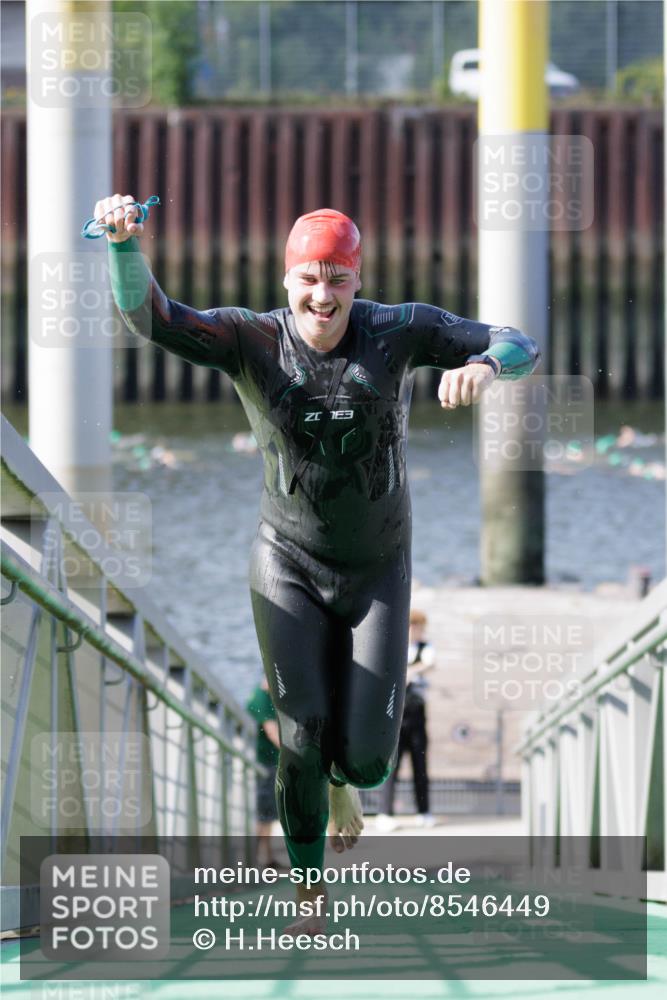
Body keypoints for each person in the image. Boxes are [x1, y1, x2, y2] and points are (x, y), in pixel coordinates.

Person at [96, 194, 540, 935]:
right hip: (287, 559)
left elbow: (518, 340)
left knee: (365, 762)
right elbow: (153, 320)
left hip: (376, 568)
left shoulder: (399, 331)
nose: (322, 296)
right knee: (299, 734)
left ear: (356, 283)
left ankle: (347, 783)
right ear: (285, 282)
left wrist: (488, 367)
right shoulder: (249, 339)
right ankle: (309, 896)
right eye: (308, 279)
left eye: (337, 279)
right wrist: (119, 246)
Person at [376, 608, 436, 830]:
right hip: (395, 715)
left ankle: (424, 811)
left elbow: (430, 663)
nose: (416, 631)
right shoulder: (395, 648)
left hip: (416, 712)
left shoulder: (425, 648)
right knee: (392, 764)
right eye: (413, 627)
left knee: (420, 763)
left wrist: (409, 672)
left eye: (419, 628)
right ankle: (385, 813)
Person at [246, 676, 282, 867]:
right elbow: (271, 731)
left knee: (266, 813)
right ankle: (259, 859)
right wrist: (291, 755)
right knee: (265, 813)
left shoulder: (260, 695)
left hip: (264, 761)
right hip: (264, 763)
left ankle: (266, 857)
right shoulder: (262, 697)